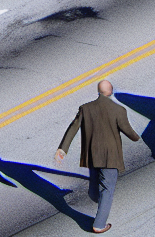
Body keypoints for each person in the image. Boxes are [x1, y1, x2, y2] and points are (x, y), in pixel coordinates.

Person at [55, 79, 140, 234]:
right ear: (111, 91)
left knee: (95, 182)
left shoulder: (85, 108)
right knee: (108, 188)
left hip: (92, 155)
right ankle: (99, 224)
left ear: (98, 91)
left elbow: (73, 127)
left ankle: (96, 197)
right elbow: (128, 130)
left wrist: (62, 149)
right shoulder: (118, 110)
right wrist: (136, 137)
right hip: (110, 157)